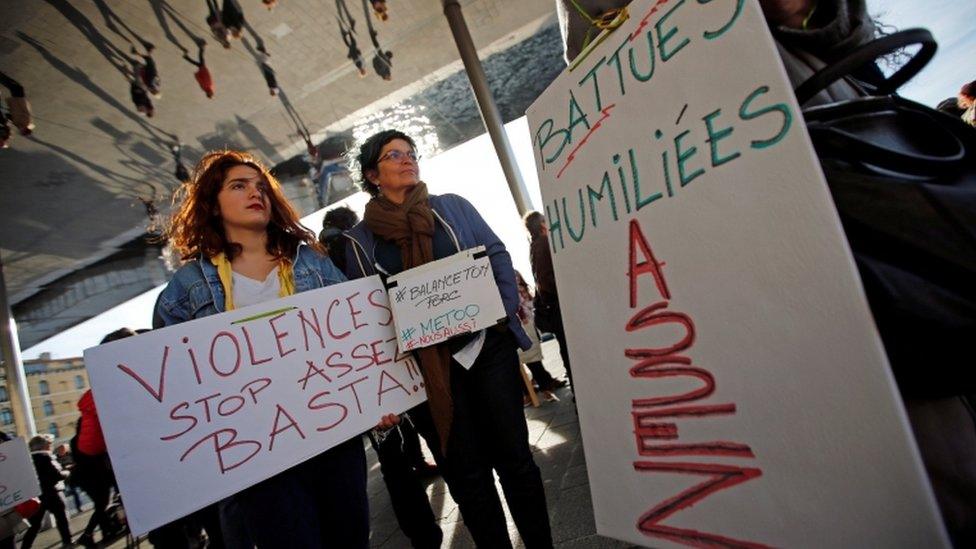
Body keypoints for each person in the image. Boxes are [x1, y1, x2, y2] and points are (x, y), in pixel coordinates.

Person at [343, 129, 553, 548]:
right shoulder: (359, 242)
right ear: (372, 173)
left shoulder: (452, 207)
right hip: (427, 372)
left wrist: (500, 307)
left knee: (516, 460)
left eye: (411, 152)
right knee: (466, 474)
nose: (408, 159)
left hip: (486, 349)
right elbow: (367, 315)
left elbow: (495, 252)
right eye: (394, 154)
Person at [153, 149, 368, 548]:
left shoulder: (314, 265)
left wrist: (376, 396)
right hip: (257, 459)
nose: (256, 193)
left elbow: (359, 340)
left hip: (333, 440)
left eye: (261, 186)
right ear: (212, 206)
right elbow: (175, 391)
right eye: (238, 186)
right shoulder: (186, 289)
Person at [524, 211, 575, 393]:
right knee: (570, 349)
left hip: (552, 307)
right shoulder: (544, 243)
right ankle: (579, 392)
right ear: (543, 225)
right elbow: (546, 280)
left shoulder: (534, 246)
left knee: (566, 347)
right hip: (557, 306)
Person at [515, 270, 566, 403]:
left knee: (534, 357)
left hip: (528, 323)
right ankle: (543, 387)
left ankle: (539, 385)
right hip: (523, 324)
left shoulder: (523, 289)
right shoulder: (515, 291)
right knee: (531, 358)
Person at [22, 434, 73, 549]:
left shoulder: (28, 460)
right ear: (43, 446)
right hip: (52, 493)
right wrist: (67, 472)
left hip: (37, 495)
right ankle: (68, 542)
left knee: (35, 525)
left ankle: (25, 547)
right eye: (49, 444)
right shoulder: (45, 457)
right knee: (61, 518)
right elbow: (57, 475)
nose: (50, 446)